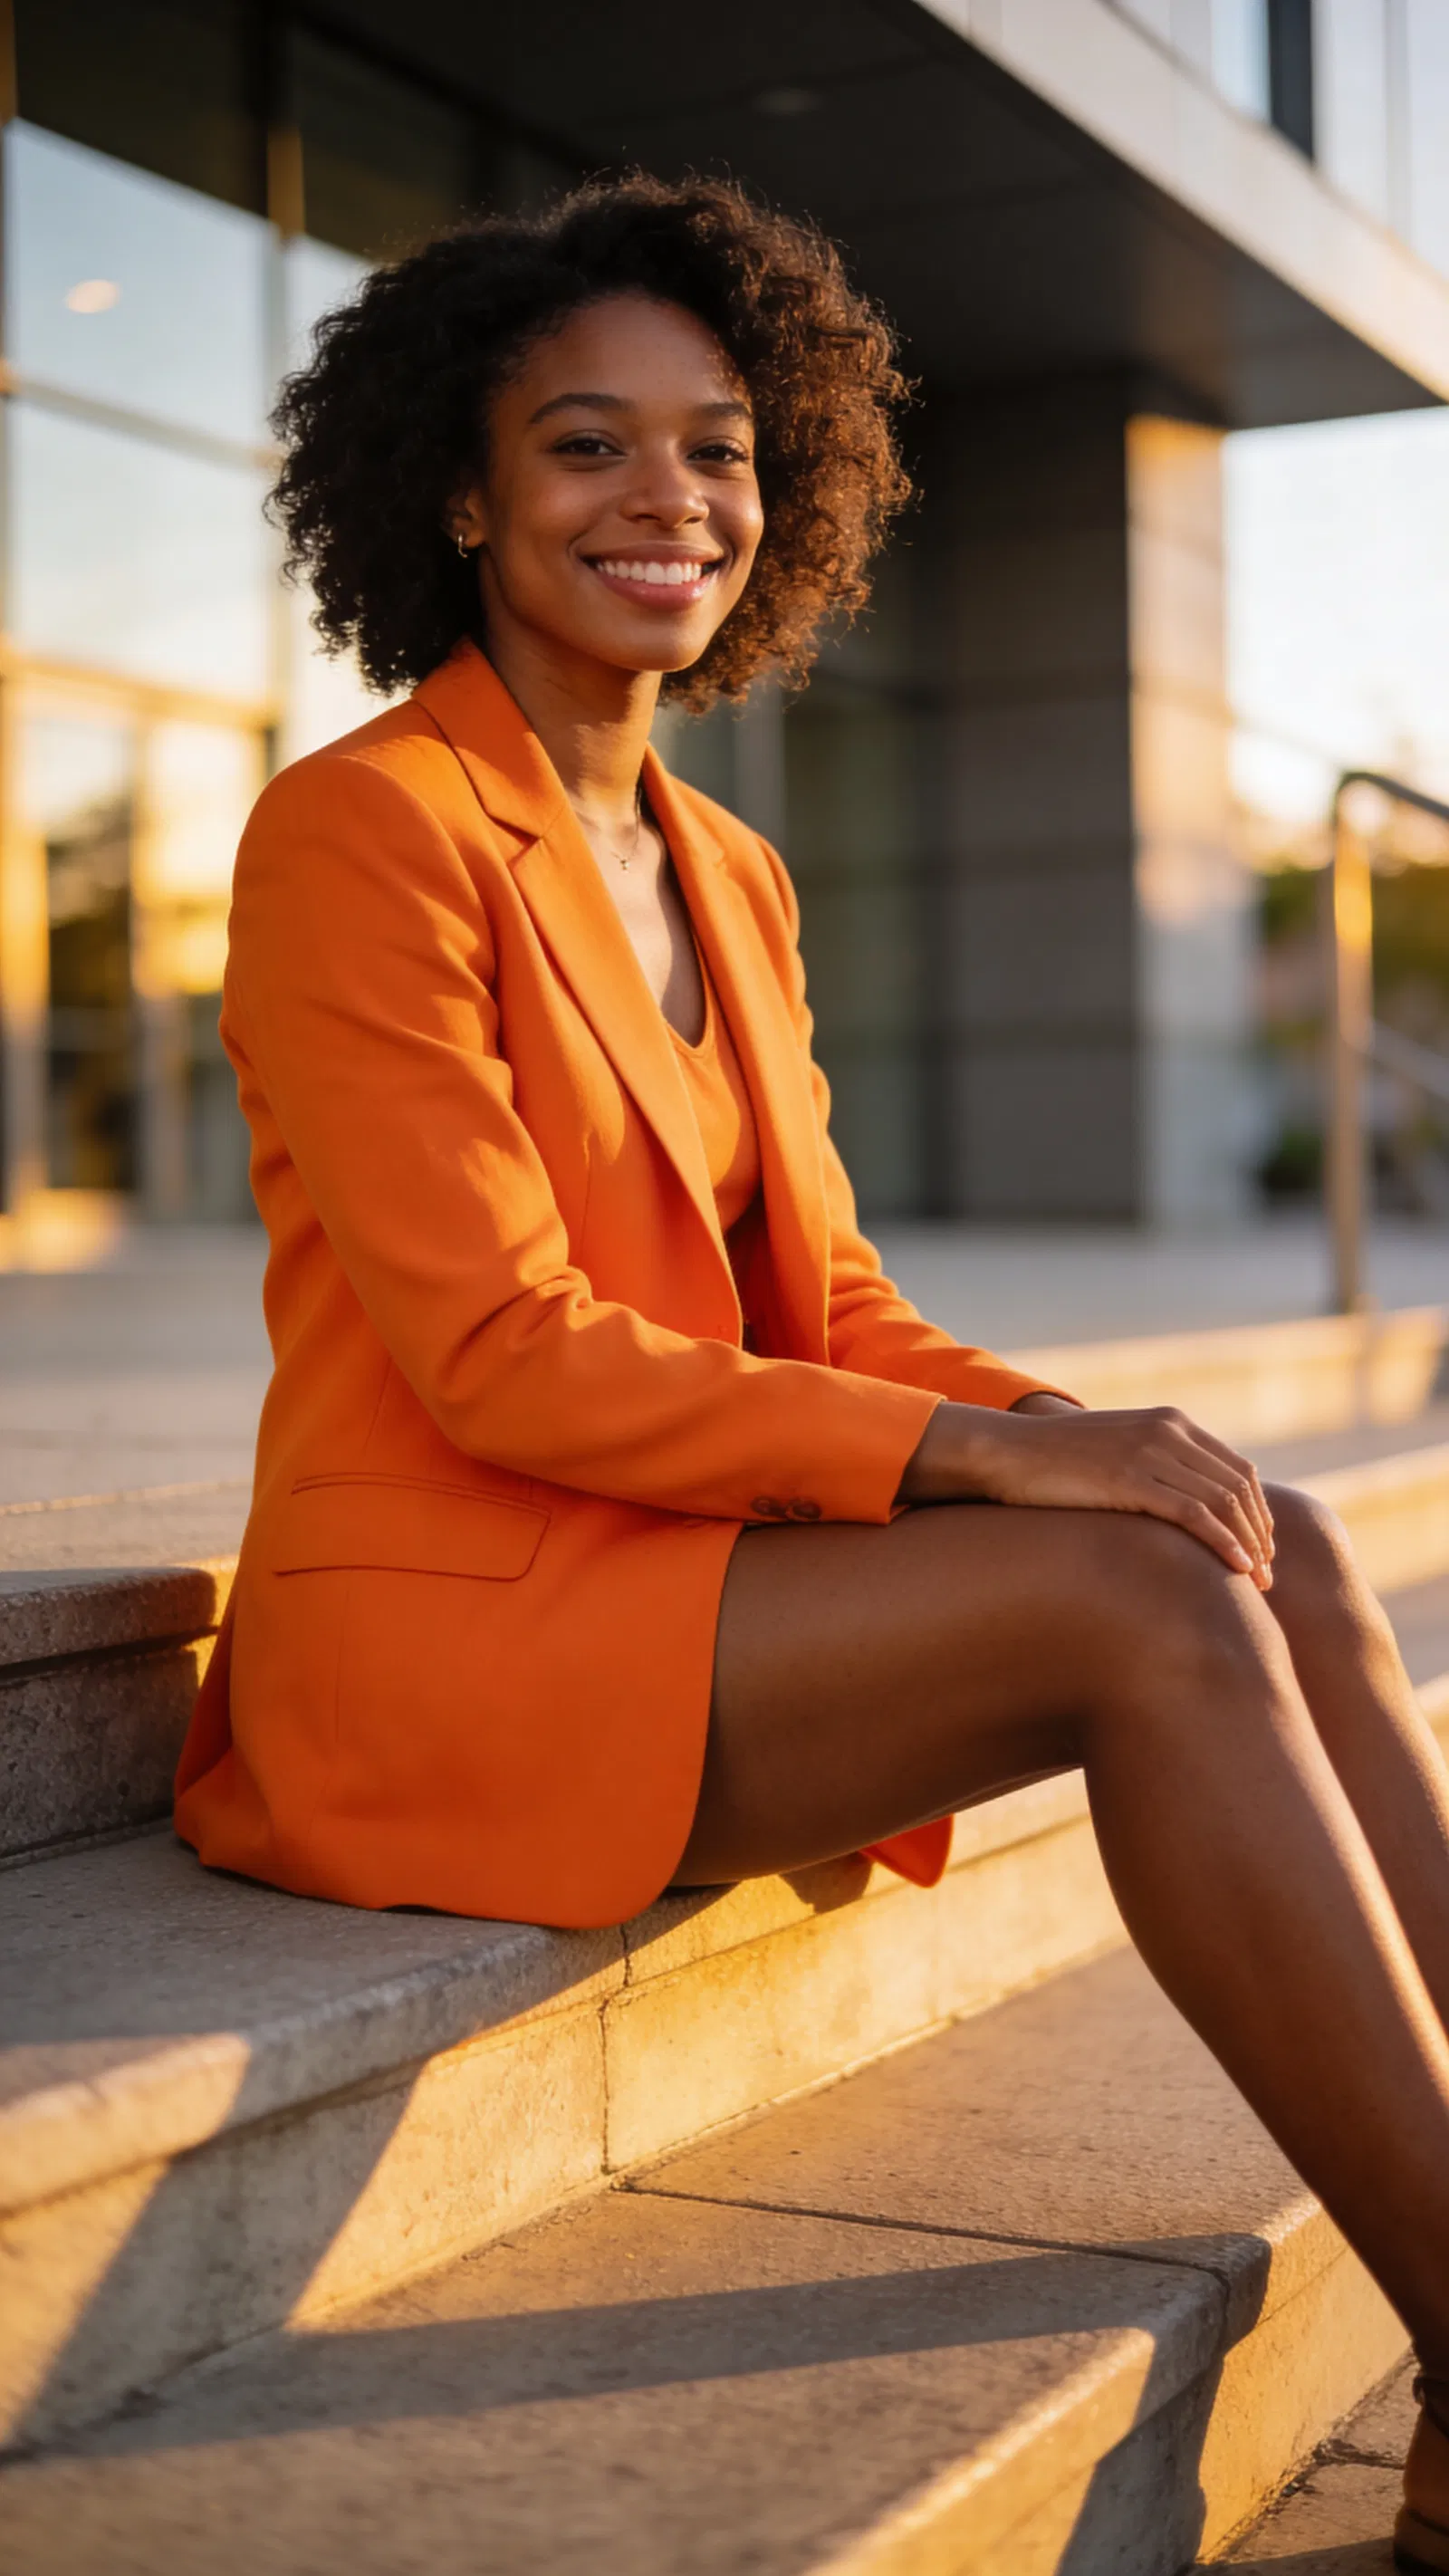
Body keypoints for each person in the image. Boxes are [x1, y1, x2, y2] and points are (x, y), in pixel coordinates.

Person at [173, 173, 1449, 2567]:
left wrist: (1084, 1438)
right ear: (456, 494)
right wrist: (997, 1476)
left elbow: (831, 1299)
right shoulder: (362, 832)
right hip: (450, 1624)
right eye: (584, 444)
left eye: (720, 445)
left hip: (666, 1568)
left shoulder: (726, 870)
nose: (667, 495)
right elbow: (499, 1349)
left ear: (790, 495)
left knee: (1243, 1538)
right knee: (1141, 1609)